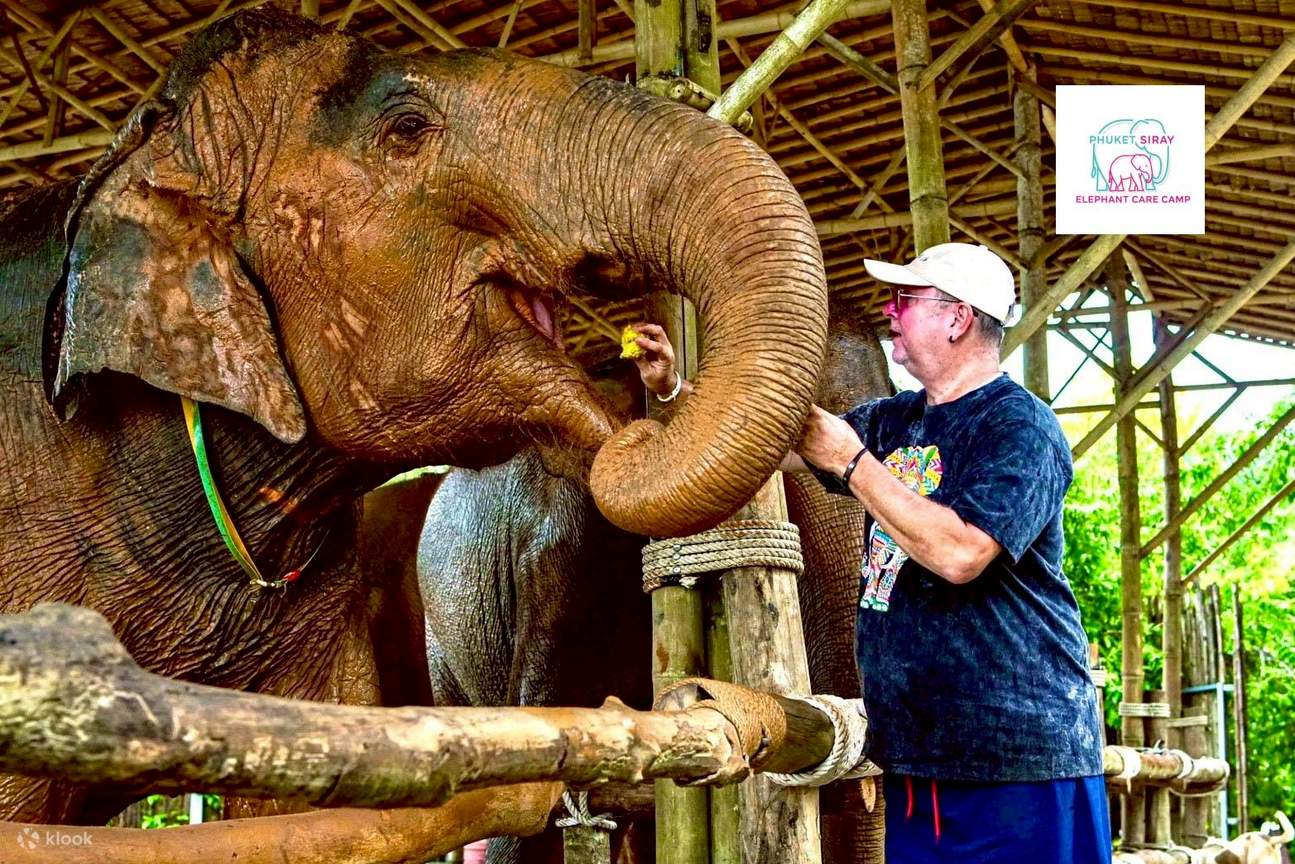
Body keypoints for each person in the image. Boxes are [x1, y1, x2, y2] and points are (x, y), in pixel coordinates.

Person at [631, 243, 1111, 864]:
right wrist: (676, 390)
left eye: (907, 299)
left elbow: (961, 553)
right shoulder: (895, 420)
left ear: (957, 317)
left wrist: (854, 465)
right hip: (916, 755)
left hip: (1015, 760)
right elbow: (771, 436)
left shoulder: (1019, 428)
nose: (891, 311)